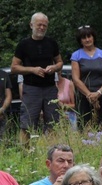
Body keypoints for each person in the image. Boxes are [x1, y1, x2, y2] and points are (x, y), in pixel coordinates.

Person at [11, 13, 63, 144]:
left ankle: (53, 152)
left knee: (52, 122)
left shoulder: (52, 43)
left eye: (44, 25)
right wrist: (32, 70)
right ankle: (25, 153)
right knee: (27, 123)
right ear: (31, 25)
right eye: (39, 24)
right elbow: (14, 68)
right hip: (31, 89)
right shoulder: (23, 44)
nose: (41, 27)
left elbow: (60, 63)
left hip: (50, 88)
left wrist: (54, 67)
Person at [71, 26, 102, 128]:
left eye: (89, 36)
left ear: (93, 37)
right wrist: (89, 95)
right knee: (84, 125)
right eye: (84, 38)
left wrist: (98, 93)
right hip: (83, 95)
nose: (87, 40)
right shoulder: (76, 55)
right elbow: (76, 79)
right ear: (80, 40)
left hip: (101, 94)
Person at [0, 67, 12, 138]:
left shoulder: (4, 74)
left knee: (4, 141)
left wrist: (2, 109)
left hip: (2, 115)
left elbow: (8, 96)